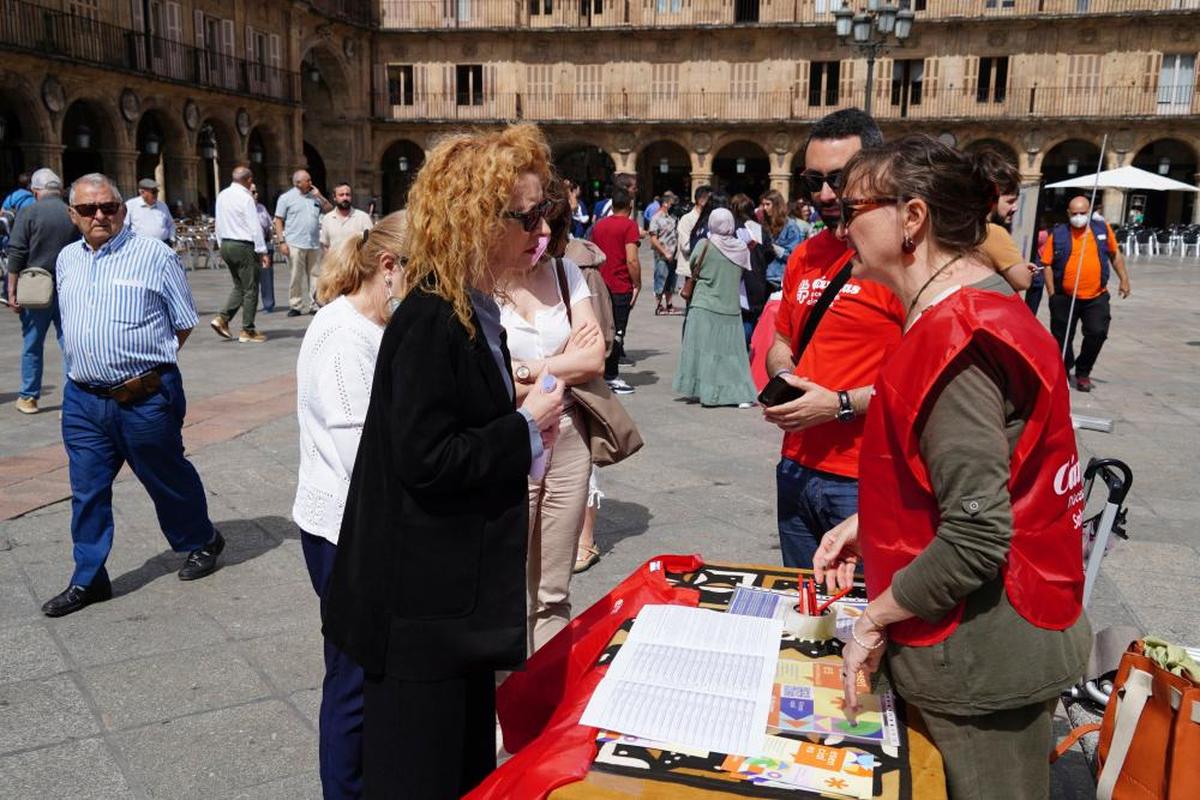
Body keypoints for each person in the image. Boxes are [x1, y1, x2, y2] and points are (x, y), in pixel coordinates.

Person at [814, 135, 1091, 800]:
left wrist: (873, 620)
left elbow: (976, 533)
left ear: (912, 219)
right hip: (1006, 629)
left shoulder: (954, 336)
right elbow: (988, 471)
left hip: (981, 657)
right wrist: (874, 520)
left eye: (853, 208)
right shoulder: (987, 303)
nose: (837, 220)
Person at [323, 124, 564, 800]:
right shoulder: (434, 317)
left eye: (543, 211)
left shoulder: (467, 305)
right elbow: (426, 458)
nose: (539, 231)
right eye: (527, 215)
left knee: (462, 774)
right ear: (477, 220)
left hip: (448, 607)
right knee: (420, 779)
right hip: (417, 617)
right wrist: (525, 427)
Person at [44, 173, 223, 618]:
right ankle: (88, 578)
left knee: (164, 475)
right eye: (88, 210)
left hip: (144, 397)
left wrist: (142, 369)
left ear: (122, 209)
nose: (100, 216)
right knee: (86, 489)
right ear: (73, 215)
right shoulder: (66, 260)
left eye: (108, 207)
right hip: (83, 400)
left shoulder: (155, 256)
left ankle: (201, 539)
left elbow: (182, 322)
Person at [294, 211, 408, 800]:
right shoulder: (344, 337)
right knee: (352, 678)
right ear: (388, 268)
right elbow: (358, 454)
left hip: (360, 527)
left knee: (366, 673)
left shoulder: (372, 326)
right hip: (344, 530)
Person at [762, 108, 904, 570]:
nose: (825, 195)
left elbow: (925, 384)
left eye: (839, 180)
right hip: (796, 467)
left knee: (866, 620)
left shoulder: (902, 262)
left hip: (865, 479)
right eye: (813, 181)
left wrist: (840, 404)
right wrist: (784, 377)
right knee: (806, 611)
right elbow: (782, 340)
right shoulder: (805, 254)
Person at [497, 179, 604, 653]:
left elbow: (594, 357)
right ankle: (498, 712)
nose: (542, 237)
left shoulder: (566, 274)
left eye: (550, 228)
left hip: (567, 438)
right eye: (532, 223)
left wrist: (524, 369)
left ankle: (543, 700)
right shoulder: (484, 279)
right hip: (509, 440)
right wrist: (561, 362)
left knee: (553, 591)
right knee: (499, 587)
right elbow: (484, 372)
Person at [5, 168, 79, 415]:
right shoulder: (72, 212)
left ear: (36, 191)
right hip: (69, 285)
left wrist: (11, 290)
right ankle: (72, 399)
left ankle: (28, 397)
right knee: (68, 342)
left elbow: (16, 253)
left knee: (32, 343)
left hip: (35, 287)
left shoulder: (28, 211)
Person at [1042, 194, 1131, 392]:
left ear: (1089, 212)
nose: (1079, 217)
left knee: (1098, 332)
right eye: (1075, 213)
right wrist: (1051, 293)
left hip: (1096, 295)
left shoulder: (1101, 229)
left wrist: (1124, 279)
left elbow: (1114, 254)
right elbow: (1046, 264)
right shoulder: (1058, 233)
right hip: (1065, 296)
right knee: (1062, 337)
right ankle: (1064, 370)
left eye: (1083, 213)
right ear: (1068, 213)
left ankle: (1083, 371)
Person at [672, 208, 758, 408]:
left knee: (702, 351)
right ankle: (738, 394)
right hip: (730, 306)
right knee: (732, 355)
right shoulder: (741, 248)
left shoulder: (704, 245)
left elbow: (693, 265)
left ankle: (701, 390)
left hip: (703, 304)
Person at [591, 186, 640, 395]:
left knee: (602, 329)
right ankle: (611, 375)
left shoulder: (598, 226)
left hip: (601, 283)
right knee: (618, 330)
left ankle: (599, 371)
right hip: (620, 285)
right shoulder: (630, 226)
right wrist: (637, 283)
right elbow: (632, 259)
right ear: (630, 206)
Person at [212, 165, 271, 343]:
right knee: (251, 288)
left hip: (227, 243)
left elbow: (218, 222)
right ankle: (248, 330)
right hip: (243, 245)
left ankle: (222, 318)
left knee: (239, 286)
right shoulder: (246, 198)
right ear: (249, 180)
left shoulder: (222, 195)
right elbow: (254, 226)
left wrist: (221, 245)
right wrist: (262, 251)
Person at [973, 151, 1033, 292]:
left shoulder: (959, 228)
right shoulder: (993, 232)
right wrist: (1023, 271)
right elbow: (1023, 282)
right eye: (1010, 201)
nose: (1015, 208)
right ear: (991, 198)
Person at [276, 169, 332, 316]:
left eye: (310, 180)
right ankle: (296, 305)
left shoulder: (315, 197)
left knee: (315, 275)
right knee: (296, 275)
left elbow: (329, 210)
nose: (310, 183)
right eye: (307, 180)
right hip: (295, 242)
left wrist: (319, 196)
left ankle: (315, 304)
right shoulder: (286, 198)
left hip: (313, 242)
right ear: (297, 183)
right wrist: (282, 241)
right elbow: (278, 220)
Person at [731, 192, 772, 345]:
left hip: (740, 281)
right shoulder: (758, 229)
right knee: (752, 317)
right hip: (757, 278)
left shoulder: (731, 229)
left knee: (744, 317)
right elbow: (769, 253)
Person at [762, 189, 804, 291]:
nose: (764, 208)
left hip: (779, 279)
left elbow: (794, 256)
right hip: (765, 275)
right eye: (763, 204)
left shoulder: (791, 227)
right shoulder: (766, 224)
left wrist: (774, 248)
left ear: (776, 205)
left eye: (768, 204)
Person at [648, 190, 681, 315]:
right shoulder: (656, 218)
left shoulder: (673, 217)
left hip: (673, 254)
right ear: (665, 203)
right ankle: (658, 305)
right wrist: (664, 252)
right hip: (662, 255)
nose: (674, 205)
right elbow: (653, 239)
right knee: (660, 279)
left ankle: (669, 304)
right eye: (672, 203)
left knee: (671, 281)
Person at [320, 182, 374, 255]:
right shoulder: (327, 219)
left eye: (347, 195)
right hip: (335, 264)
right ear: (334, 198)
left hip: (356, 264)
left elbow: (371, 243)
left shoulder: (363, 218)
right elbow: (325, 246)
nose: (345, 198)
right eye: (341, 195)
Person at [675, 185, 710, 289]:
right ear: (701, 199)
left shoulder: (709, 218)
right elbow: (686, 246)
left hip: (706, 269)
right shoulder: (687, 219)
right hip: (692, 270)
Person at [123, 178, 175, 245]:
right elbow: (124, 226)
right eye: (153, 192)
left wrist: (172, 238)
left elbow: (171, 224)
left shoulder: (162, 205)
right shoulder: (131, 205)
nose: (156, 194)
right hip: (141, 246)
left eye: (157, 191)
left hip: (164, 244)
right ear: (142, 192)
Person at [252, 185, 276, 313]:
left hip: (264, 245)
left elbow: (269, 226)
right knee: (250, 278)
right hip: (249, 246)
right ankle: (251, 305)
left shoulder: (261, 208)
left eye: (256, 192)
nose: (256, 194)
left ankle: (268, 304)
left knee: (266, 275)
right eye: (253, 192)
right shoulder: (242, 209)